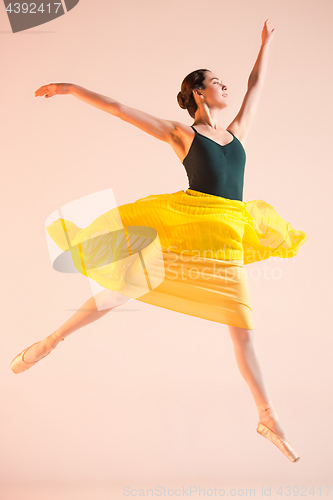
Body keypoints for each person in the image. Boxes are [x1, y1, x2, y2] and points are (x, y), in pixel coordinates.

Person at [10, 20, 306, 463]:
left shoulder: (236, 134)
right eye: (216, 82)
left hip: (225, 236)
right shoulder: (180, 133)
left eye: (225, 81)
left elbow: (255, 84)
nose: (225, 86)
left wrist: (266, 44)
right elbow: (119, 108)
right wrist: (71, 87)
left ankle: (267, 416)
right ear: (199, 93)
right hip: (187, 225)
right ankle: (52, 340)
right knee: (125, 287)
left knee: (242, 330)